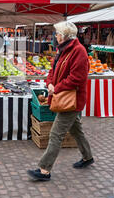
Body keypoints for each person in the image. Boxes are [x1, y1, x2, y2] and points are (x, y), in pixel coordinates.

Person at [27, 21, 93, 181]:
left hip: (72, 99)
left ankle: (44, 169)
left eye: (57, 33)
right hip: (63, 96)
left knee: (56, 134)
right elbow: (53, 69)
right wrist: (50, 82)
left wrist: (56, 87)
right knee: (76, 130)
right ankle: (88, 157)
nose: (55, 36)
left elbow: (77, 78)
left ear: (64, 36)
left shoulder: (79, 51)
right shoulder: (62, 50)